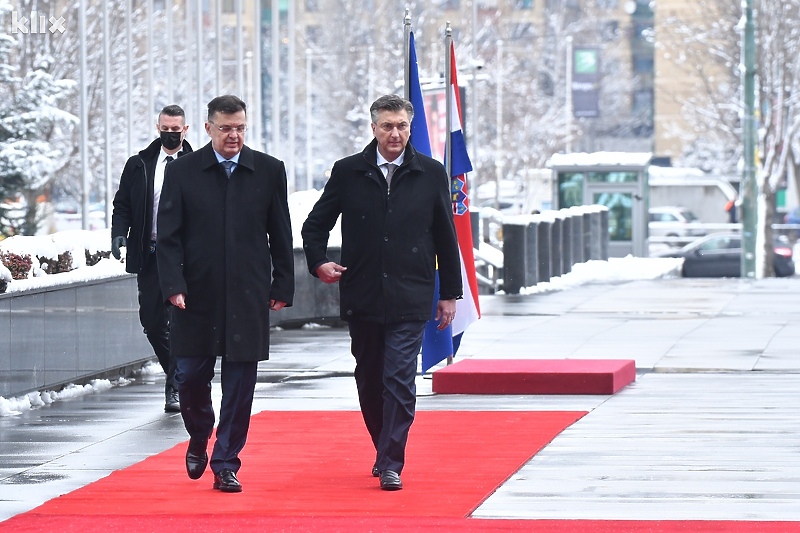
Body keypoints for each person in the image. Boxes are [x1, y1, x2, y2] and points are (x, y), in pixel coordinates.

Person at [301, 94, 462, 491]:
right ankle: (382, 447)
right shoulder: (348, 172)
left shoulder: (430, 172)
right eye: (387, 126)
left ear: (410, 129)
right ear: (372, 128)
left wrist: (450, 293)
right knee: (370, 379)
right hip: (364, 294)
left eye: (402, 126)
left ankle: (392, 461)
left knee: (399, 379)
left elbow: (446, 235)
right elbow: (314, 225)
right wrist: (319, 261)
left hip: (411, 294)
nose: (395, 133)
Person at [156, 95, 294, 494]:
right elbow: (168, 237)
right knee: (190, 377)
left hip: (248, 293)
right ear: (207, 129)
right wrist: (173, 285)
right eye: (225, 128)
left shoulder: (268, 170)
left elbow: (280, 232)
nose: (233, 135)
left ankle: (226, 462)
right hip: (195, 294)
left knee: (240, 385)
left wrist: (282, 282)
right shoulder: (183, 172)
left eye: (240, 128)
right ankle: (200, 433)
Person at [111, 104, 192, 413]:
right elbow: (123, 203)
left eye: (176, 130)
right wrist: (120, 233)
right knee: (153, 323)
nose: (170, 135)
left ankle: (175, 387)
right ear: (158, 128)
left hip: (185, 258)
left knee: (179, 322)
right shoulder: (140, 164)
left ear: (185, 130)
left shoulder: (198, 164)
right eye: (165, 129)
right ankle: (182, 375)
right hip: (151, 253)